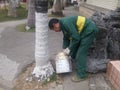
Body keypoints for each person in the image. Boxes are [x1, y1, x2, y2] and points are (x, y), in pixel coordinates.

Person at [48, 16, 99, 82]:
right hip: (83, 32)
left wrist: (69, 48)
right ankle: (77, 65)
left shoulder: (66, 23)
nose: (55, 31)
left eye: (54, 29)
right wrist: (64, 49)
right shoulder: (63, 25)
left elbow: (76, 38)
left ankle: (81, 75)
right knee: (73, 50)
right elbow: (66, 38)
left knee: (81, 53)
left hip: (89, 31)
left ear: (55, 25)